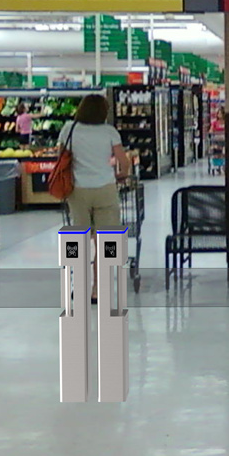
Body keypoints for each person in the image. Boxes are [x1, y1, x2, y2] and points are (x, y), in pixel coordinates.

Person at [57, 94, 131, 302]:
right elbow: (124, 163)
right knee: (105, 242)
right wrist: (120, 176)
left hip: (77, 191)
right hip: (106, 189)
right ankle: (99, 289)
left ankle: (78, 285)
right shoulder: (110, 132)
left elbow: (60, 159)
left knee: (79, 240)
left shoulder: (69, 129)